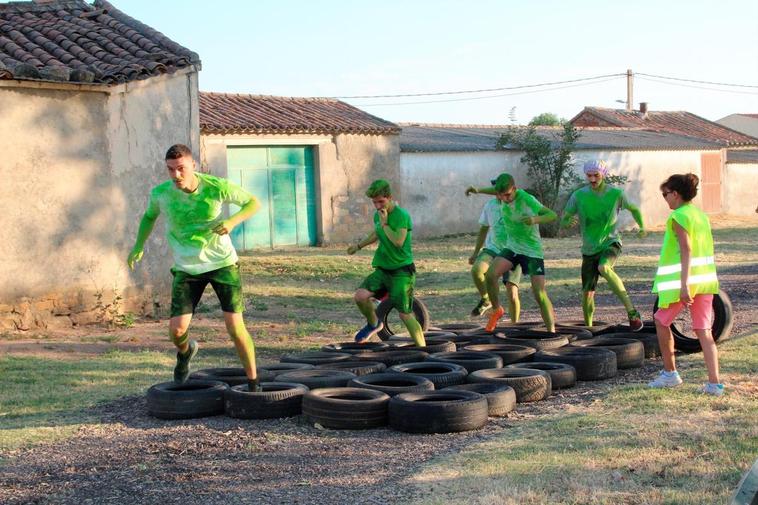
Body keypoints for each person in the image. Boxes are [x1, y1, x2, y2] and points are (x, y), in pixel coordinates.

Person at [127, 144, 262, 391]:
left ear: (193, 166)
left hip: (222, 263)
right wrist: (138, 245)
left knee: (235, 327)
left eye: (181, 169)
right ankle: (186, 351)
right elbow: (148, 217)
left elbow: (253, 203)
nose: (176, 175)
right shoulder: (161, 194)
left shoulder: (216, 187)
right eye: (170, 170)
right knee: (176, 331)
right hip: (187, 267)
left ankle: (254, 384)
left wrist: (232, 221)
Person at [648, 174, 723, 395]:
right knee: (704, 331)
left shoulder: (679, 217)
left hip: (684, 283)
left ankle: (670, 373)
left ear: (676, 194)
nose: (665, 199)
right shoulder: (700, 215)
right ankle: (714, 384)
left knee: (661, 321)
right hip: (705, 281)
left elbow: (686, 249)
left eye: (665, 194)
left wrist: (684, 285)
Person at [560, 159, 646, 330]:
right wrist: (567, 221)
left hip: (610, 242)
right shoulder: (579, 196)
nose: (592, 179)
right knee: (587, 295)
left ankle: (632, 312)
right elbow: (564, 219)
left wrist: (642, 227)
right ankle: (589, 329)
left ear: (603, 174)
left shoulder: (616, 194)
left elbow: (634, 209)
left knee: (604, 268)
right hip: (589, 248)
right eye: (589, 175)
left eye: (596, 175)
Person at [468, 173, 558, 332]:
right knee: (490, 275)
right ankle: (497, 309)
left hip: (531, 251)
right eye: (501, 196)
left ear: (515, 189)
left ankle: (552, 332)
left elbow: (552, 215)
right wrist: (478, 190)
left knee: (539, 294)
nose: (506, 199)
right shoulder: (501, 195)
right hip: (512, 248)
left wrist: (534, 220)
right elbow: (495, 190)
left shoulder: (526, 199)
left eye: (508, 195)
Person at [347, 179, 426, 347]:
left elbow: (398, 241)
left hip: (402, 272)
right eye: (374, 202)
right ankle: (374, 324)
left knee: (405, 315)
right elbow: (376, 234)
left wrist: (384, 224)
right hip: (383, 269)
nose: (377, 206)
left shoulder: (401, 215)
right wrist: (358, 246)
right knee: (360, 296)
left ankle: (424, 350)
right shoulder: (378, 214)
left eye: (381, 201)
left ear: (390, 197)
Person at [465, 184, 522, 321]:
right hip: (493, 249)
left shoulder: (517, 203)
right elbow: (483, 230)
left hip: (513, 251)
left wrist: (478, 189)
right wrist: (475, 252)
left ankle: (515, 327)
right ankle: (486, 299)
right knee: (477, 271)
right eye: (496, 191)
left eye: (502, 191)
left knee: (512, 294)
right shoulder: (489, 206)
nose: (498, 194)